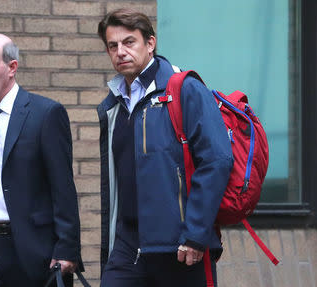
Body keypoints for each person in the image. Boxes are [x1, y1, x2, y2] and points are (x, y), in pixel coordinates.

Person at [96, 9, 233, 287]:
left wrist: (195, 235)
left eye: (129, 42)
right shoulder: (113, 105)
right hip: (128, 246)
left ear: (150, 43)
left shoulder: (184, 89)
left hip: (179, 248)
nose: (120, 52)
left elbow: (217, 160)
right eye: (113, 46)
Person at [0, 33, 82, 287]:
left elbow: (62, 187)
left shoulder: (45, 114)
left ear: (12, 67)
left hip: (33, 250)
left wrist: (67, 248)